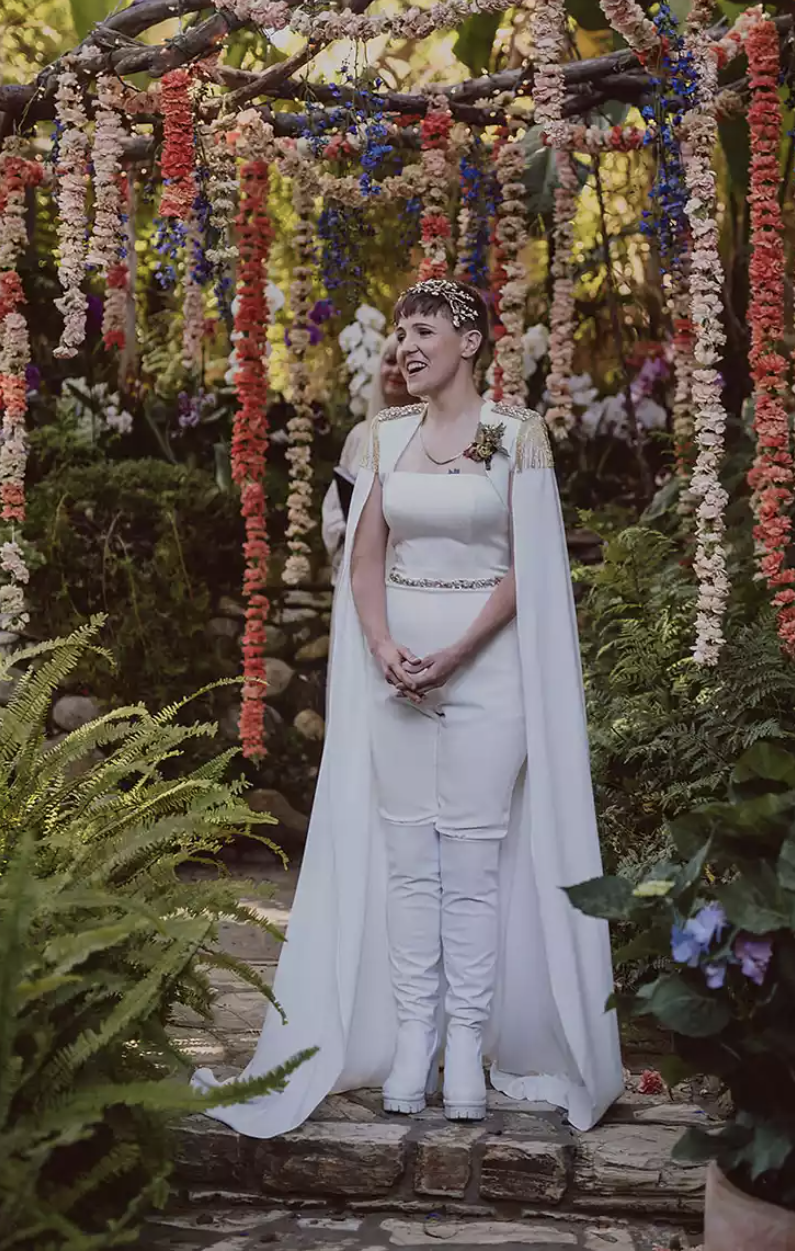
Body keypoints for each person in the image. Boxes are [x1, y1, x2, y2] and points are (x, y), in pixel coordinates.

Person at [195, 277, 622, 1134]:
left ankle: (466, 1044)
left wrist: (458, 651)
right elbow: (362, 560)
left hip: (487, 673)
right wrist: (385, 648)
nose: (407, 349)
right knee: (405, 862)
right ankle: (412, 1035)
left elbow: (528, 568)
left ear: (471, 343)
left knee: (469, 861)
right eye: (401, 336)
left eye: (424, 331)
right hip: (396, 674)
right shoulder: (380, 438)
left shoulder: (517, 436)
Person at [320, 332, 412, 581]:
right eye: (390, 361)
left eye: (405, 364)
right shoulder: (361, 435)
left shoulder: (433, 437)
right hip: (358, 568)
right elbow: (335, 508)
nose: (395, 371)